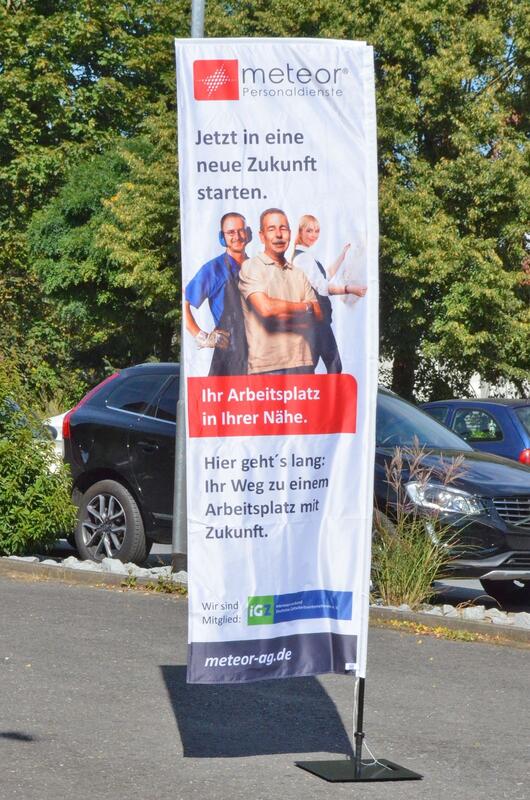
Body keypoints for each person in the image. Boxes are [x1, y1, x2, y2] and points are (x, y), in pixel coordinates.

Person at [238, 208, 322, 375]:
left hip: (303, 364)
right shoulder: (251, 267)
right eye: (271, 229)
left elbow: (318, 317)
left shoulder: (299, 273)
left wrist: (278, 320)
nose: (278, 234)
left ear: (290, 233)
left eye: (283, 228)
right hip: (267, 368)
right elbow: (267, 309)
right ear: (262, 236)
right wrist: (306, 307)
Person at [292, 214, 367, 374]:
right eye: (309, 230)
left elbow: (325, 276)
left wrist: (342, 256)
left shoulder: (305, 256)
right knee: (332, 365)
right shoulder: (303, 258)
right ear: (300, 231)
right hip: (316, 321)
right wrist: (349, 289)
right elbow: (323, 287)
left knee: (310, 368)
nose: (314, 235)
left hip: (315, 322)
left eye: (317, 231)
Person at [184, 212, 250, 375]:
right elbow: (185, 303)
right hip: (229, 359)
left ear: (248, 234)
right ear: (222, 237)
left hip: (258, 355)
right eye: (231, 232)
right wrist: (203, 337)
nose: (237, 236)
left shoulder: (257, 267)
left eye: (241, 231)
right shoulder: (213, 270)